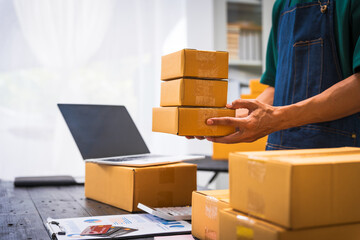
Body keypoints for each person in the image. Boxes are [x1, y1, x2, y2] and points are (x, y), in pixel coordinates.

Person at [189, 0, 360, 150]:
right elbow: (276, 88)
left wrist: (277, 118)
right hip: (280, 153)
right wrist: (226, 119)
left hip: (339, 158)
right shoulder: (282, 6)